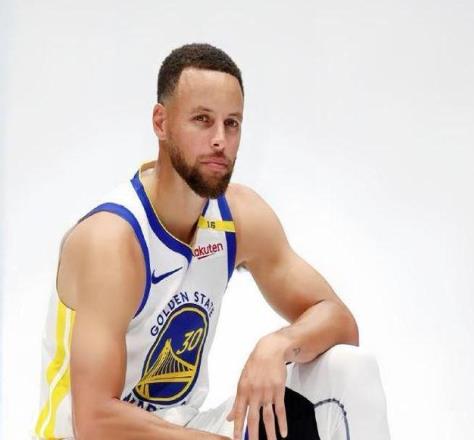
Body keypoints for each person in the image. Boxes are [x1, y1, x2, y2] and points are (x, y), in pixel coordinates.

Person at [34, 43, 391, 440]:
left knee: (350, 370)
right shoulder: (112, 240)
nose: (220, 139)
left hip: (185, 429)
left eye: (231, 123)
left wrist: (279, 345)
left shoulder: (238, 216)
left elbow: (340, 321)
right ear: (161, 122)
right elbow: (94, 421)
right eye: (202, 120)